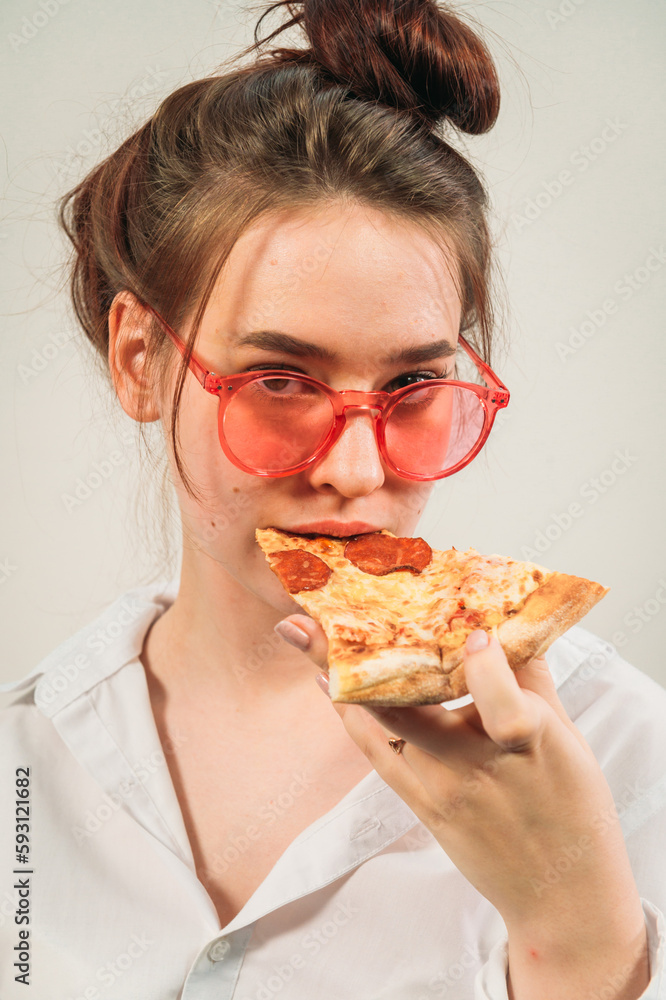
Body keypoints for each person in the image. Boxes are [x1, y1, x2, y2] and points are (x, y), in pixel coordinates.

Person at [1, 1, 665, 997]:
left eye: (411, 389)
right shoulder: (23, 767)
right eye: (279, 381)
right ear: (139, 358)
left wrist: (574, 931)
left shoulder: (619, 746)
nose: (356, 472)